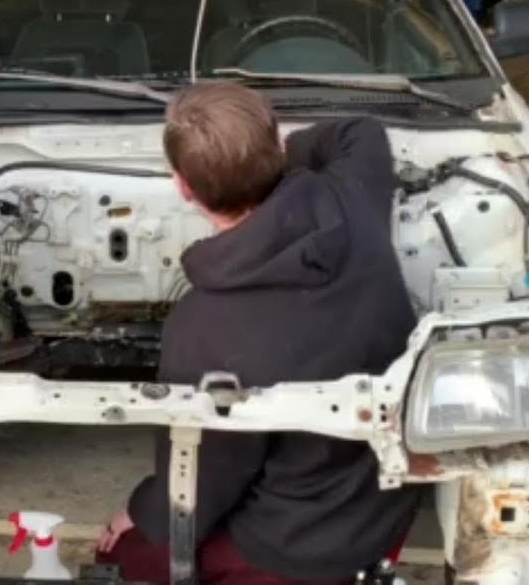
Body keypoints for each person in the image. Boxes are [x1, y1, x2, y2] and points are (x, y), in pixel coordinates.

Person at [95, 83, 422, 584]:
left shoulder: (201, 328)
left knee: (124, 558)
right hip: (385, 497)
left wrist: (140, 514)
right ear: (278, 144)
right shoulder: (351, 197)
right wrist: (263, 153)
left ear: (183, 186)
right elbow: (361, 130)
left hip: (300, 544)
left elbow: (201, 484)